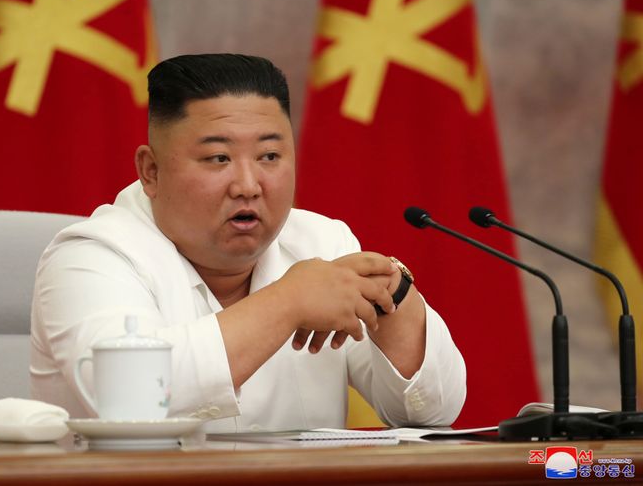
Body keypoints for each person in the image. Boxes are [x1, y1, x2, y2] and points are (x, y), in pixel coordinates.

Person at [30, 54, 466, 431]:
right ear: (151, 171)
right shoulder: (90, 257)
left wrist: (394, 294)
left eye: (269, 157)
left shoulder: (320, 242)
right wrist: (289, 302)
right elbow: (132, 399)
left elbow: (432, 411)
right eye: (218, 158)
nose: (248, 185)